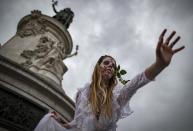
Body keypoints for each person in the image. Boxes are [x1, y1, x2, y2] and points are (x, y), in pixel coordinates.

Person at [34, 29, 185, 131]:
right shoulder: (83, 93)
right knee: (48, 119)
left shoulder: (117, 96)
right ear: (98, 67)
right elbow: (78, 122)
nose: (110, 67)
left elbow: (137, 82)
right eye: (106, 63)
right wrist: (62, 122)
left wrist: (160, 64)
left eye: (113, 66)